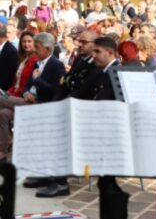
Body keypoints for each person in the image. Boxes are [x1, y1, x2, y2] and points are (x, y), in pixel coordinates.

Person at [33, 36, 127, 218]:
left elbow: (110, 105)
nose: (94, 55)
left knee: (62, 132)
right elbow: (82, 90)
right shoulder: (102, 71)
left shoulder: (117, 73)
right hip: (91, 118)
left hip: (105, 128)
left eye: (97, 51)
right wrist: (62, 106)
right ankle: (50, 174)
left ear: (110, 53)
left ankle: (60, 182)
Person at [0, 32, 64, 162]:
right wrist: (26, 93)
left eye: (37, 47)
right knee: (3, 113)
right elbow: (27, 86)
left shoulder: (56, 65)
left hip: (41, 104)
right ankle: (1, 151)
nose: (34, 50)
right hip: (28, 100)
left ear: (47, 49)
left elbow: (55, 91)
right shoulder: (38, 63)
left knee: (0, 100)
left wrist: (37, 81)